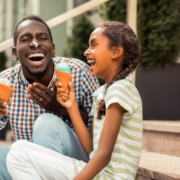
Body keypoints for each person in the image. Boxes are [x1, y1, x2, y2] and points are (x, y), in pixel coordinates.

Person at [7, 21, 142, 180]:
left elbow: (104, 155)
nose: (86, 52)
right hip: (100, 173)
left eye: (94, 45)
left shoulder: (121, 89)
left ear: (116, 52)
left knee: (18, 156)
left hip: (112, 177)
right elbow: (92, 149)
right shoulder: (101, 93)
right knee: (19, 148)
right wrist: (71, 106)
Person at [0, 15, 99, 180]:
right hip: (26, 166)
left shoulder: (79, 72)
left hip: (75, 163)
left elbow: (98, 130)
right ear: (15, 53)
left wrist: (59, 107)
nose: (35, 43)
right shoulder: (6, 82)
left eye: (42, 38)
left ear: (52, 49)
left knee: (46, 124)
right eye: (25, 39)